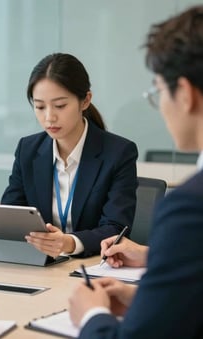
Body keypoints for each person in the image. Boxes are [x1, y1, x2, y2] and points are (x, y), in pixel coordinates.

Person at [68, 5, 203, 338]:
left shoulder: (190, 208)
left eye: (158, 91)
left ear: (184, 94)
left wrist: (92, 315)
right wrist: (150, 293)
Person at [1, 53, 138, 258]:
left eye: (60, 106)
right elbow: (15, 211)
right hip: (40, 265)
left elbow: (116, 228)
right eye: (39, 107)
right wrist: (1, 216)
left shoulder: (118, 153)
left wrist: (69, 243)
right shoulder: (27, 150)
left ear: (85, 101)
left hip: (90, 267)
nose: (49, 117)